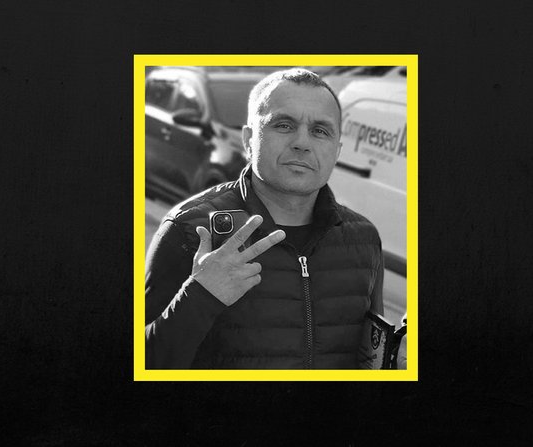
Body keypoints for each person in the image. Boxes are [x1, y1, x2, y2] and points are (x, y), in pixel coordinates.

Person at [145, 68, 384, 369]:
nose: (302, 143)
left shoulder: (363, 239)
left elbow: (369, 359)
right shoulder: (188, 231)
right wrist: (200, 297)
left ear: (336, 151)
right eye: (283, 125)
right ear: (248, 140)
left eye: (320, 131)